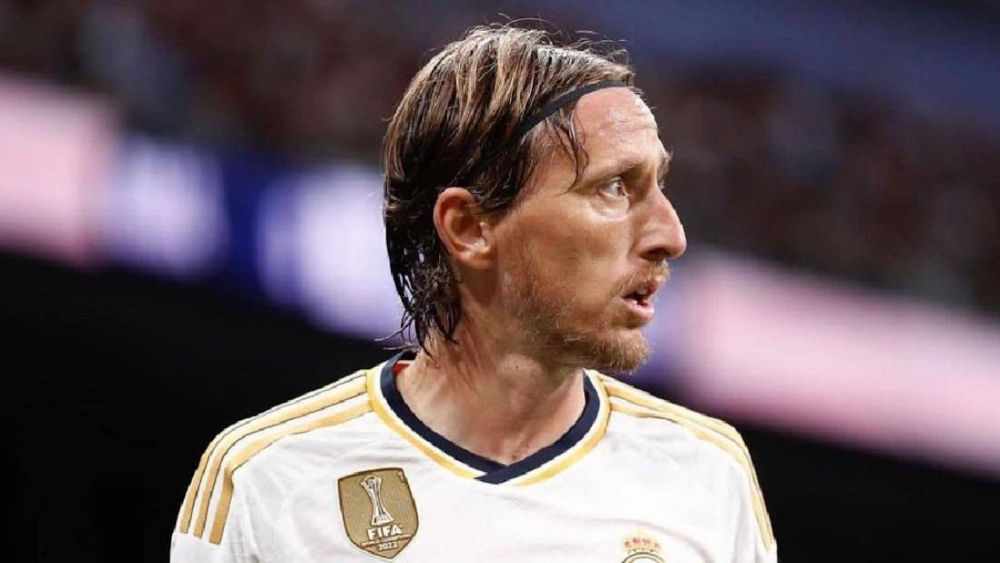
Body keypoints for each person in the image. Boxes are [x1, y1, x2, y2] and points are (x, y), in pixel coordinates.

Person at [171, 24, 776, 563]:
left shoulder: (708, 476)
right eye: (615, 186)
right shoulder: (267, 480)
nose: (671, 235)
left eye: (659, 186)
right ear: (468, 227)